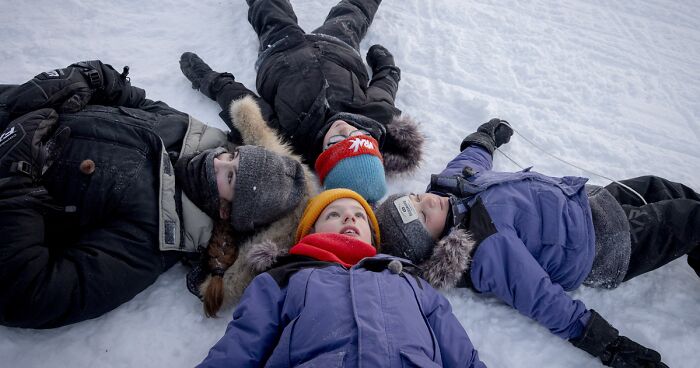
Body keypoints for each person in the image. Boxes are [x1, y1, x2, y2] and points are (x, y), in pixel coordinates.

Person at [0, 61, 316, 328]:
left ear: (225, 210)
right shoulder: (188, 134)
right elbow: (130, 98)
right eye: (233, 156)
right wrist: (89, 76)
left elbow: (33, 294)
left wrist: (14, 179)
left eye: (230, 176)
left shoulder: (151, 241)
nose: (219, 160)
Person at [374, 119, 696, 367]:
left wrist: (485, 137)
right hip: (605, 245)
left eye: (415, 198)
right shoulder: (486, 249)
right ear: (432, 242)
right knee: (689, 218)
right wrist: (609, 345)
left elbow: (471, 159)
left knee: (661, 188)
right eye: (422, 217)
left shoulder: (449, 189)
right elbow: (541, 298)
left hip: (590, 201)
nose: (427, 202)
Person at [197, 188, 486, 367]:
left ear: (373, 237)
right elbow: (242, 346)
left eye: (360, 216)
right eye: (333, 214)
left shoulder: (409, 281)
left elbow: (459, 353)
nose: (350, 219)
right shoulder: (283, 278)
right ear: (310, 231)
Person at [178, 0, 425, 202]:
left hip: (280, 52)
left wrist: (209, 80)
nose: (344, 130)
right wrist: (387, 66)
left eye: (336, 143)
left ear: (323, 156)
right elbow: (384, 86)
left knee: (269, 10)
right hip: (339, 47)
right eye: (356, 136)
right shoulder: (376, 117)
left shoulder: (290, 137)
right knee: (352, 13)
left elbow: (245, 104)